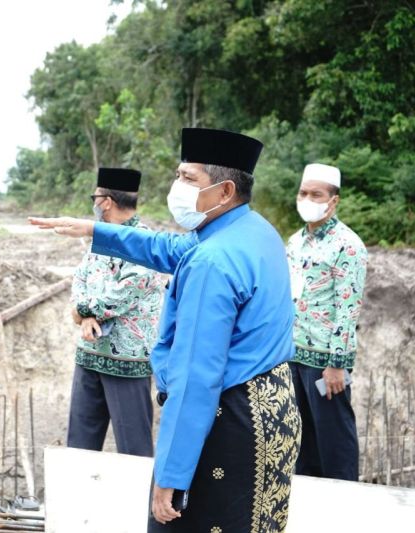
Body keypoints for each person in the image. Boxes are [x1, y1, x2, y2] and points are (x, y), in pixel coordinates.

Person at [29, 128, 302, 533]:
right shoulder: (253, 230)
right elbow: (171, 250)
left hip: (228, 417)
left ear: (225, 191)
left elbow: (196, 377)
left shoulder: (212, 262)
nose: (177, 187)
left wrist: (170, 476)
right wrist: (94, 231)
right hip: (272, 408)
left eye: (189, 178)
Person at [68, 167, 164, 458]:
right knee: (79, 446)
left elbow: (123, 294)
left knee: (133, 449)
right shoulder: (101, 239)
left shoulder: (145, 243)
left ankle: (140, 505)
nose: (94, 203)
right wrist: (84, 315)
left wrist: (82, 310)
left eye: (95, 197)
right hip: (89, 355)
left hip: (127, 361)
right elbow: (80, 278)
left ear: (106, 201)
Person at [287, 163, 367, 481]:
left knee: (334, 441)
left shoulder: (348, 246)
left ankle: (346, 503)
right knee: (300, 440)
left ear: (333, 201)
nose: (307, 199)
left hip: (325, 363)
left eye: (316, 194)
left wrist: (337, 363)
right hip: (293, 355)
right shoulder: (295, 242)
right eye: (303, 192)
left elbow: (347, 310)